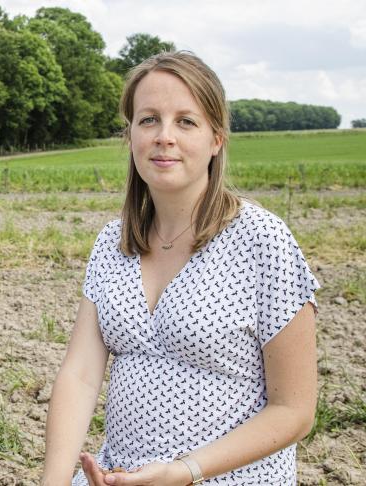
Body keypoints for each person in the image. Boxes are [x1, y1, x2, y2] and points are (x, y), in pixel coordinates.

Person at [42, 51, 318, 486]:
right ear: (129, 133)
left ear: (216, 139)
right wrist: (53, 483)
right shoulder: (112, 243)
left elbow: (295, 411)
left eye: (185, 121)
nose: (163, 136)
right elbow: (79, 375)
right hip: (120, 477)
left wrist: (185, 471)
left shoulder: (262, 240)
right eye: (148, 119)